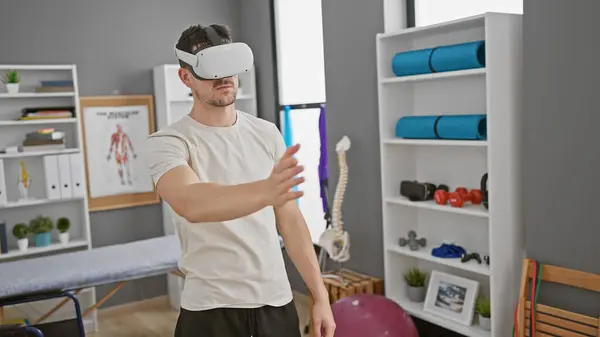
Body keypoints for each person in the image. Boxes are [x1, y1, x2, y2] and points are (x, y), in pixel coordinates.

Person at [144, 24, 335, 337]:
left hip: (276, 301)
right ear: (185, 77)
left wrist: (320, 296)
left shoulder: (266, 133)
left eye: (229, 65)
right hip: (210, 308)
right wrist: (266, 190)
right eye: (210, 68)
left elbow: (291, 221)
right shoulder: (169, 141)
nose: (224, 77)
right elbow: (191, 203)